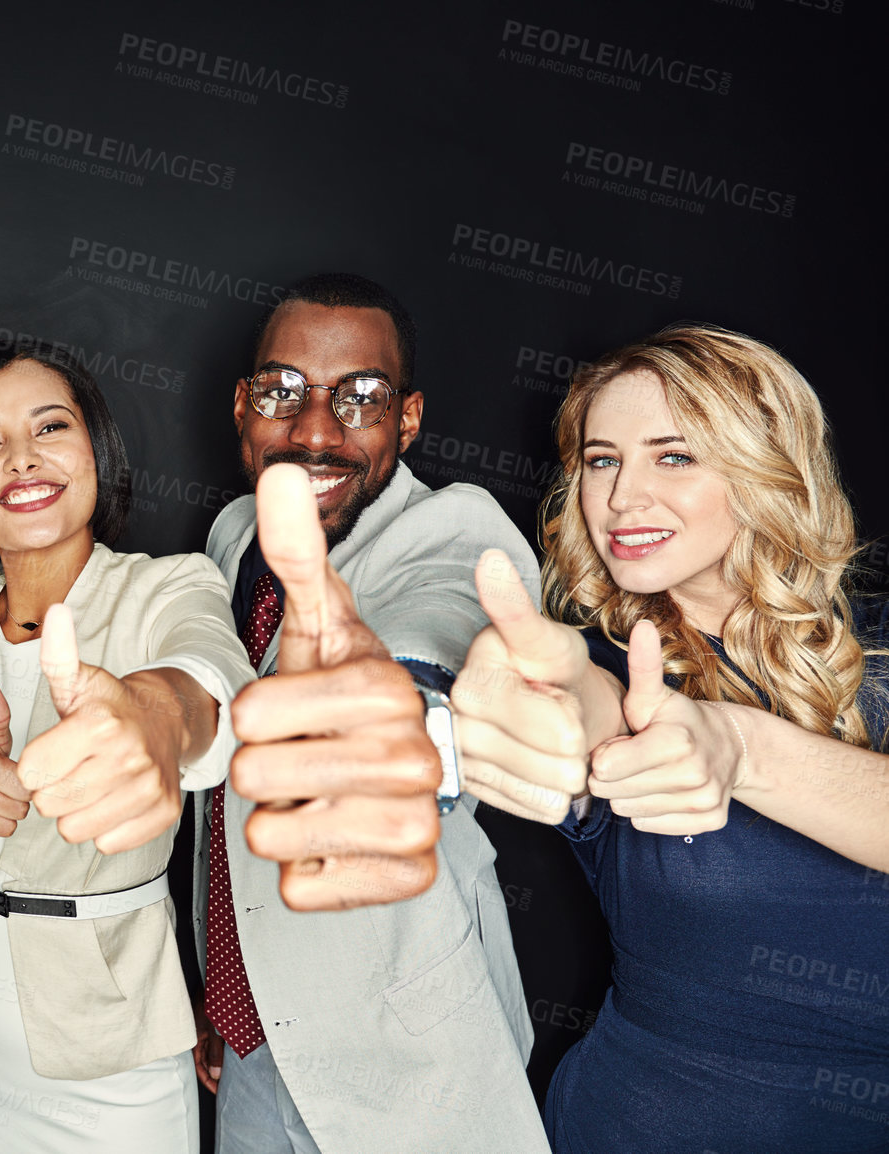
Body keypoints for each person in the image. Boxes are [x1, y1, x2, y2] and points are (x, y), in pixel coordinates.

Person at [450, 324, 889, 1153]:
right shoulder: (606, 670)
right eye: (601, 459)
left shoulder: (879, 651)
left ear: (767, 471)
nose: (621, 498)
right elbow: (587, 706)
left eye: (673, 456)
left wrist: (741, 748)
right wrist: (551, 702)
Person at [195, 273, 549, 1152]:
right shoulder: (236, 534)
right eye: (283, 392)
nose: (316, 431)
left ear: (411, 418)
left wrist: (402, 721)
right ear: (243, 406)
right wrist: (220, 987)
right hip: (250, 1038)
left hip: (409, 1066)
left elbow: (435, 639)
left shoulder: (459, 529)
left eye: (362, 398)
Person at [0, 343, 254, 1152]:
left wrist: (158, 720)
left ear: (97, 451)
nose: (22, 457)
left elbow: (208, 679)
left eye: (51, 425)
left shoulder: (170, 584)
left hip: (110, 1028)